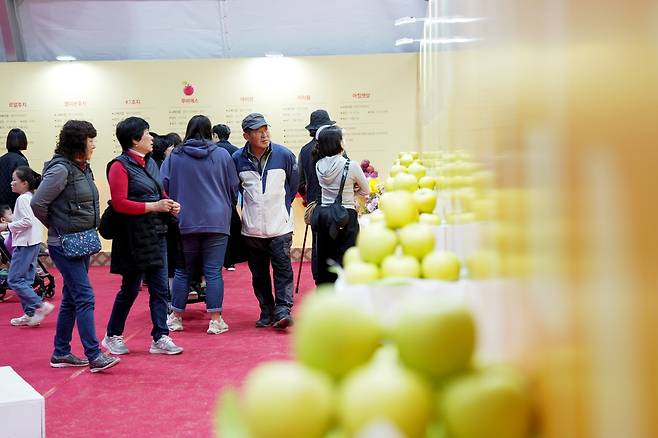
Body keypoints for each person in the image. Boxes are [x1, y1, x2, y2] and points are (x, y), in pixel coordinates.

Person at [31, 120, 120, 373]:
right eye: (89, 140)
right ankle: (94, 354)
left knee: (71, 298)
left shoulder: (81, 168)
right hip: (64, 243)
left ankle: (61, 352)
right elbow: (38, 203)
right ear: (77, 142)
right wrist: (56, 225)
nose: (93, 144)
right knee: (84, 296)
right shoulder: (61, 170)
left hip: (80, 241)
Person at [101, 117, 183, 356]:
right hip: (133, 237)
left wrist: (168, 204)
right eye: (147, 134)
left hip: (156, 232)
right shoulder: (119, 165)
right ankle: (112, 335)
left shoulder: (151, 163)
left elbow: (159, 191)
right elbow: (120, 203)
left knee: (160, 289)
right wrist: (154, 206)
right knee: (130, 288)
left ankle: (160, 336)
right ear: (135, 140)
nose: (152, 138)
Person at [161, 115, 239, 334]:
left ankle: (175, 317)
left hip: (184, 219)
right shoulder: (222, 155)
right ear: (210, 132)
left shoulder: (175, 155)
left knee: (183, 271)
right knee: (213, 272)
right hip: (217, 220)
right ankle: (215, 320)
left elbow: (163, 183)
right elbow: (234, 186)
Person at [233, 113, 299, 329]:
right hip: (252, 229)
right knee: (259, 274)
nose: (264, 134)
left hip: (280, 226)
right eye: (257, 131)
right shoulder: (237, 159)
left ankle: (283, 310)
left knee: (283, 270)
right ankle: (266, 311)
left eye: (265, 129)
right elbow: (234, 189)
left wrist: (284, 208)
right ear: (246, 135)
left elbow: (293, 185)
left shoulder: (284, 155)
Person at [314, 125, 369, 284]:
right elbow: (365, 190)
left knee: (326, 254)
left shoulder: (319, 165)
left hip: (324, 214)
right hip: (346, 214)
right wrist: (352, 193)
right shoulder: (350, 165)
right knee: (347, 255)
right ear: (337, 143)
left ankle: (327, 288)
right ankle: (346, 288)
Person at [2, 166, 54, 326]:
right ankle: (30, 314)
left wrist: (7, 226)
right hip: (32, 242)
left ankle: (39, 305)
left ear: (24, 183)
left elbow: (26, 222)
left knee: (15, 279)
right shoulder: (31, 197)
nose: (11, 183)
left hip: (24, 243)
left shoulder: (22, 199)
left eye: (14, 180)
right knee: (25, 279)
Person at [297, 110, 336, 285]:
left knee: (317, 242)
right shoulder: (336, 150)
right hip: (335, 204)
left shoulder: (305, 150)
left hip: (314, 204)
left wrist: (308, 197)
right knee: (335, 242)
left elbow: (300, 182)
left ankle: (317, 278)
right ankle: (332, 278)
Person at [0, 129, 30, 209]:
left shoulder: (1, 159)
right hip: (15, 203)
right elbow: (26, 182)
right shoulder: (21, 160)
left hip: (2, 206)